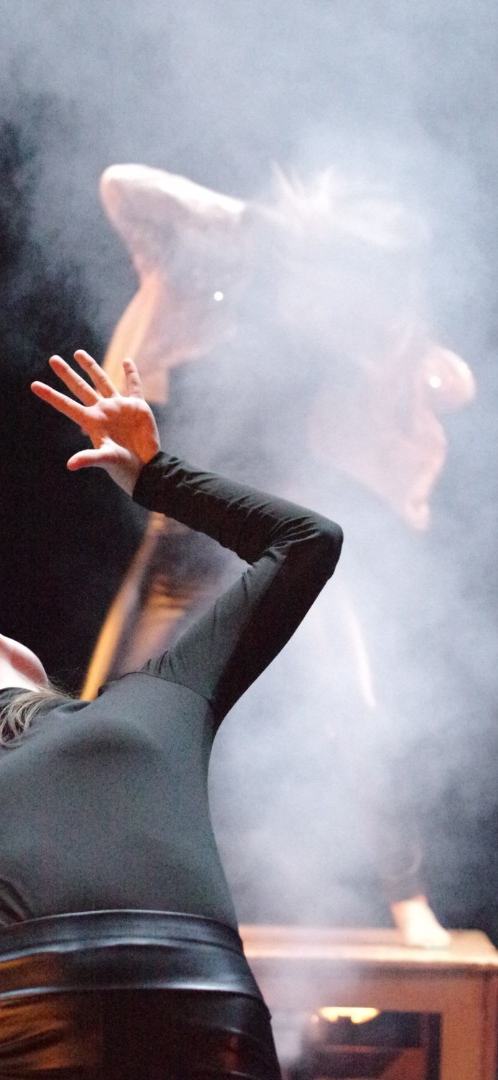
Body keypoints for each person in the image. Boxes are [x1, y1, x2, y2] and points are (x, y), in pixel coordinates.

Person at [0, 349, 342, 1080]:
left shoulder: (157, 694)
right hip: (12, 1014)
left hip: (197, 1001)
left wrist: (157, 475)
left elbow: (309, 543)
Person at [83, 163, 475, 947]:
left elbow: (455, 384)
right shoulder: (215, 294)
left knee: (356, 716)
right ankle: (70, 887)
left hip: (281, 541)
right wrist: (251, 223)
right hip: (184, 542)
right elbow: (121, 186)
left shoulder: (349, 335)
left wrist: (407, 354)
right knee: (102, 714)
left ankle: (408, 900)